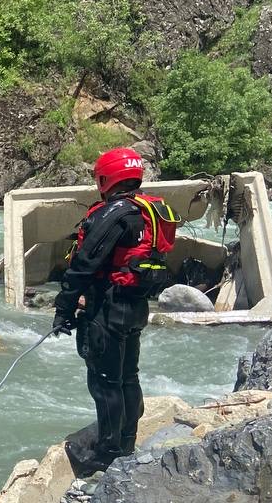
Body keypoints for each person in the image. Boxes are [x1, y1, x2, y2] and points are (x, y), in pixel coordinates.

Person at [51, 147, 177, 476]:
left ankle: (107, 454)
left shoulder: (114, 213)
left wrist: (63, 308)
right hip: (135, 307)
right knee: (127, 377)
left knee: (105, 382)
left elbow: (83, 265)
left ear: (108, 178)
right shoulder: (147, 209)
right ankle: (126, 442)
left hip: (107, 309)